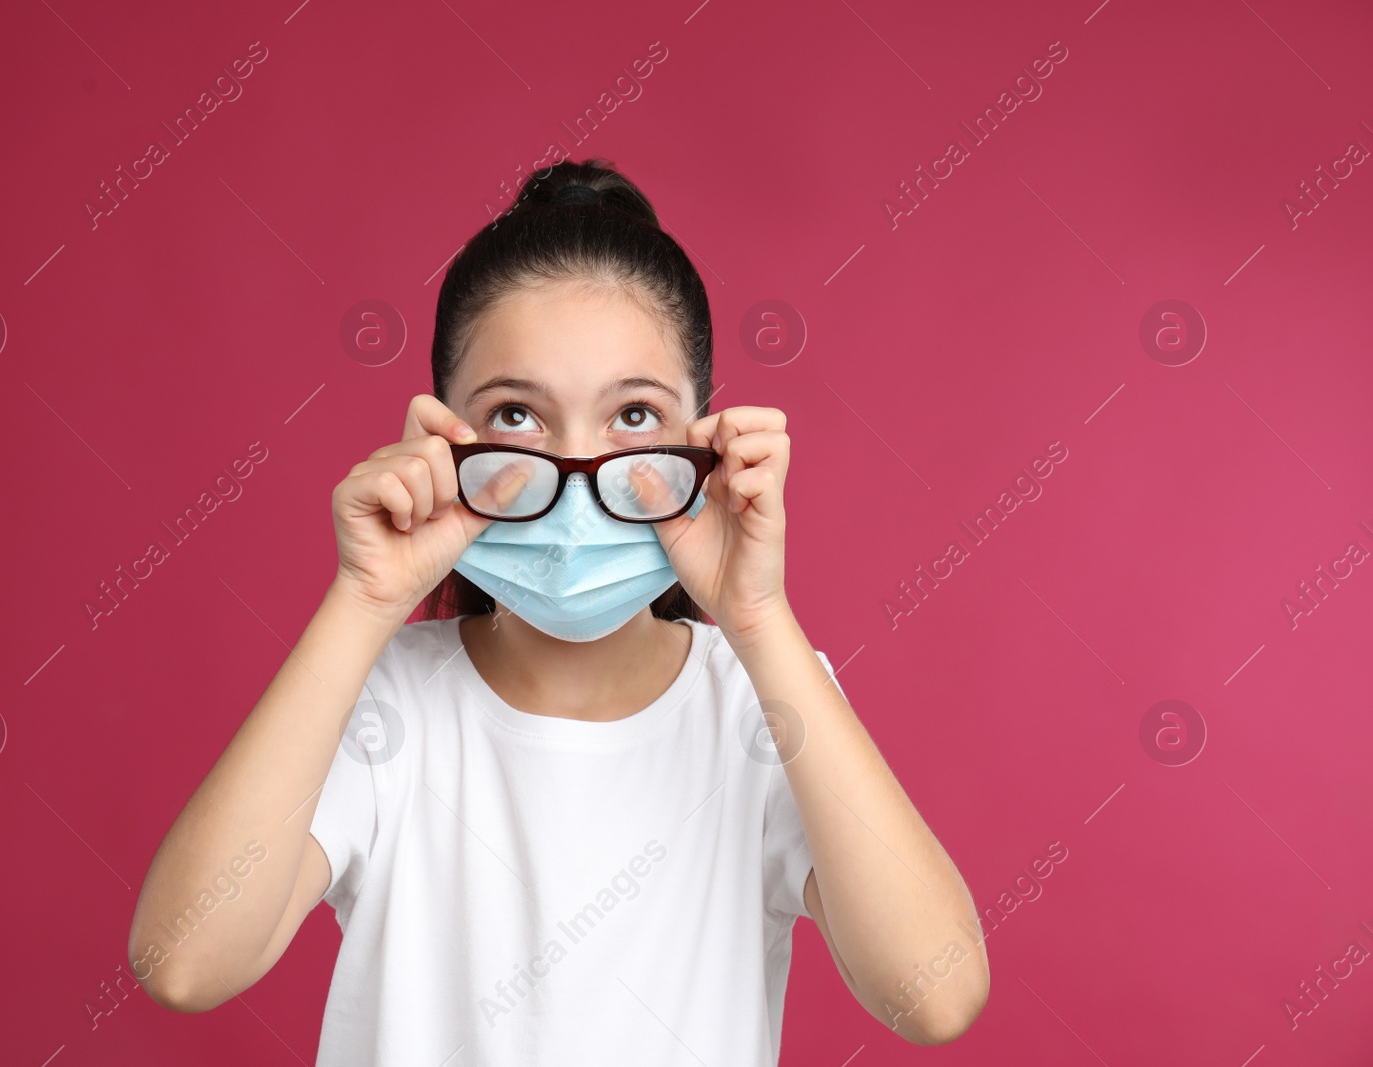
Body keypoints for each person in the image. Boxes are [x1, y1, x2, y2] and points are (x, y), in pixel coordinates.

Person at [128, 158, 990, 1062]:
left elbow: (934, 993)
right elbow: (183, 962)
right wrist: (364, 599)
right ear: (438, 435)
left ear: (709, 439)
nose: (578, 473)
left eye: (632, 417)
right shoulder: (385, 706)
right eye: (515, 416)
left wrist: (760, 618)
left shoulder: (759, 706)